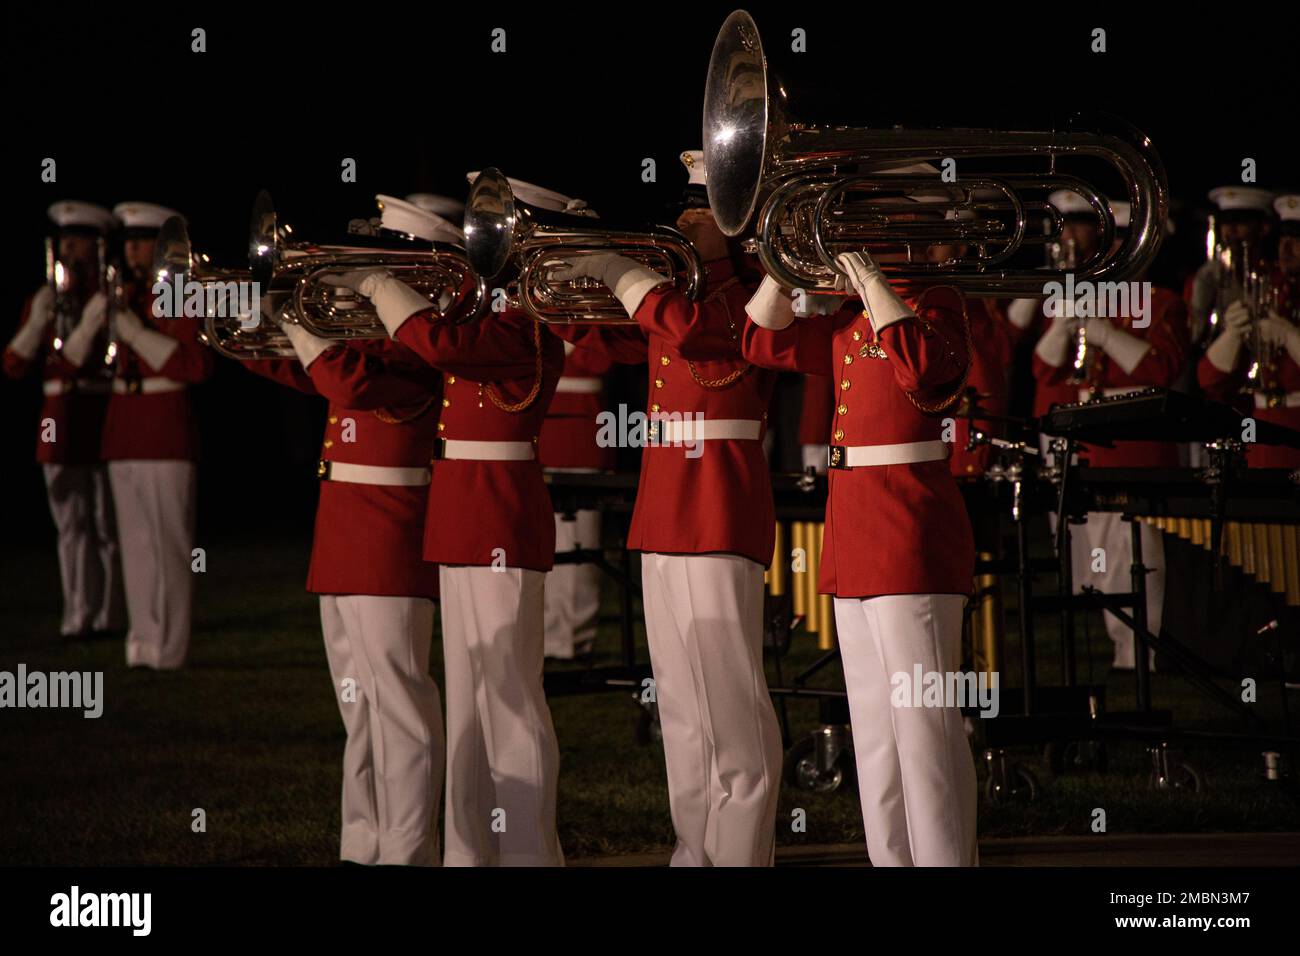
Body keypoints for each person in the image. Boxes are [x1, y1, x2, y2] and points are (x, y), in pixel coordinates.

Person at [547, 150, 784, 866]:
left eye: (701, 208)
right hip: (667, 515)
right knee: (682, 711)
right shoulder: (677, 291)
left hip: (717, 513)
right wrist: (559, 279)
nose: (682, 217)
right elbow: (599, 335)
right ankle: (696, 852)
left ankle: (740, 855)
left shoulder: (752, 296)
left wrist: (620, 271)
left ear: (738, 223)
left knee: (732, 712)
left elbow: (698, 334)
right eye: (684, 204)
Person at [334, 178, 566, 866]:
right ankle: (472, 854)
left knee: (511, 700)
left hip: (499, 513)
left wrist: (378, 285)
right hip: (464, 513)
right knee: (470, 704)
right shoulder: (487, 316)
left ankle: (528, 853)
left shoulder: (521, 324)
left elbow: (436, 345)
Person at [742, 242, 979, 866]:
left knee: (923, 730)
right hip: (855, 534)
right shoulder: (852, 315)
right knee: (874, 736)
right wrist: (777, 265)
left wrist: (874, 282)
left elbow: (925, 370)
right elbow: (761, 342)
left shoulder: (936, 302)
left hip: (910, 535)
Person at [62, 201, 214, 669]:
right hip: (122, 426)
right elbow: (70, 361)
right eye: (129, 242)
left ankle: (170, 648)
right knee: (135, 545)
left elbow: (195, 366)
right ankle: (142, 642)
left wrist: (129, 328)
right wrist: (94, 320)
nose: (133, 250)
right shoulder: (122, 292)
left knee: (169, 545)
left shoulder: (184, 295)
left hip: (164, 426)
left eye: (143, 240)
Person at [4, 200, 123, 639]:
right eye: (66, 240)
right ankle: (77, 615)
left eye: (79, 241)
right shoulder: (48, 296)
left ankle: (110, 612)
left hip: (101, 408)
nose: (70, 249)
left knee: (107, 520)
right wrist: (39, 318)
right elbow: (14, 364)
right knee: (70, 523)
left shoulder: (107, 295)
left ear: (96, 246)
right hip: (58, 415)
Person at [1198, 193, 1300, 469]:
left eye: (1297, 238)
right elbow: (1210, 380)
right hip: (1263, 429)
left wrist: (1290, 336)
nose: (1287, 246)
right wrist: (1233, 334)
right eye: (1284, 237)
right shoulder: (1267, 289)